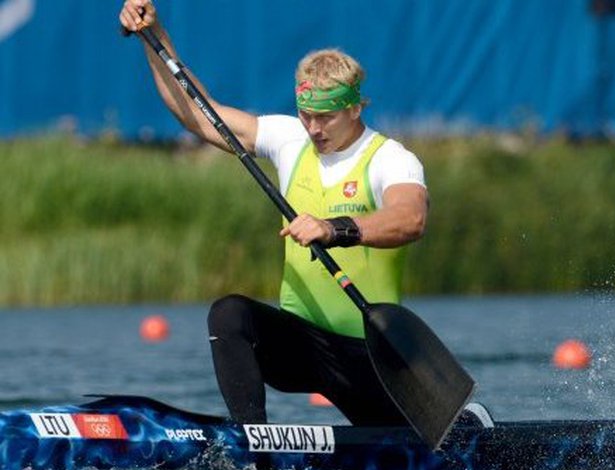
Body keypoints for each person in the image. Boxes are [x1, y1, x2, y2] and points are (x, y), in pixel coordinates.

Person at [119, 0, 432, 428]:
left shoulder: (390, 159)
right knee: (229, 314)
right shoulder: (289, 139)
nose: (314, 128)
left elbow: (410, 218)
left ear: (356, 108)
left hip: (367, 353)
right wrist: (152, 38)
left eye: (326, 117)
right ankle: (253, 445)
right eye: (307, 115)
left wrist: (333, 228)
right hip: (301, 344)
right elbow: (199, 113)